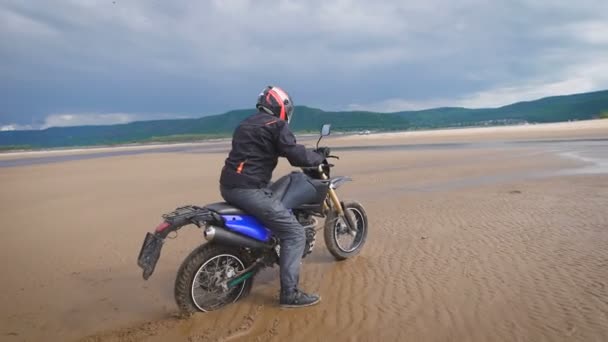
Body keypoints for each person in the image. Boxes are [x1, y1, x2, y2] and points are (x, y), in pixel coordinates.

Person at [219, 85, 328, 308]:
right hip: (249, 190)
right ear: (281, 106)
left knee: (274, 194)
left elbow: (264, 150)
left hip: (229, 186)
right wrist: (317, 157)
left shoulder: (246, 124)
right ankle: (290, 294)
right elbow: (295, 155)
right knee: (295, 234)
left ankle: (266, 243)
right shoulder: (276, 126)